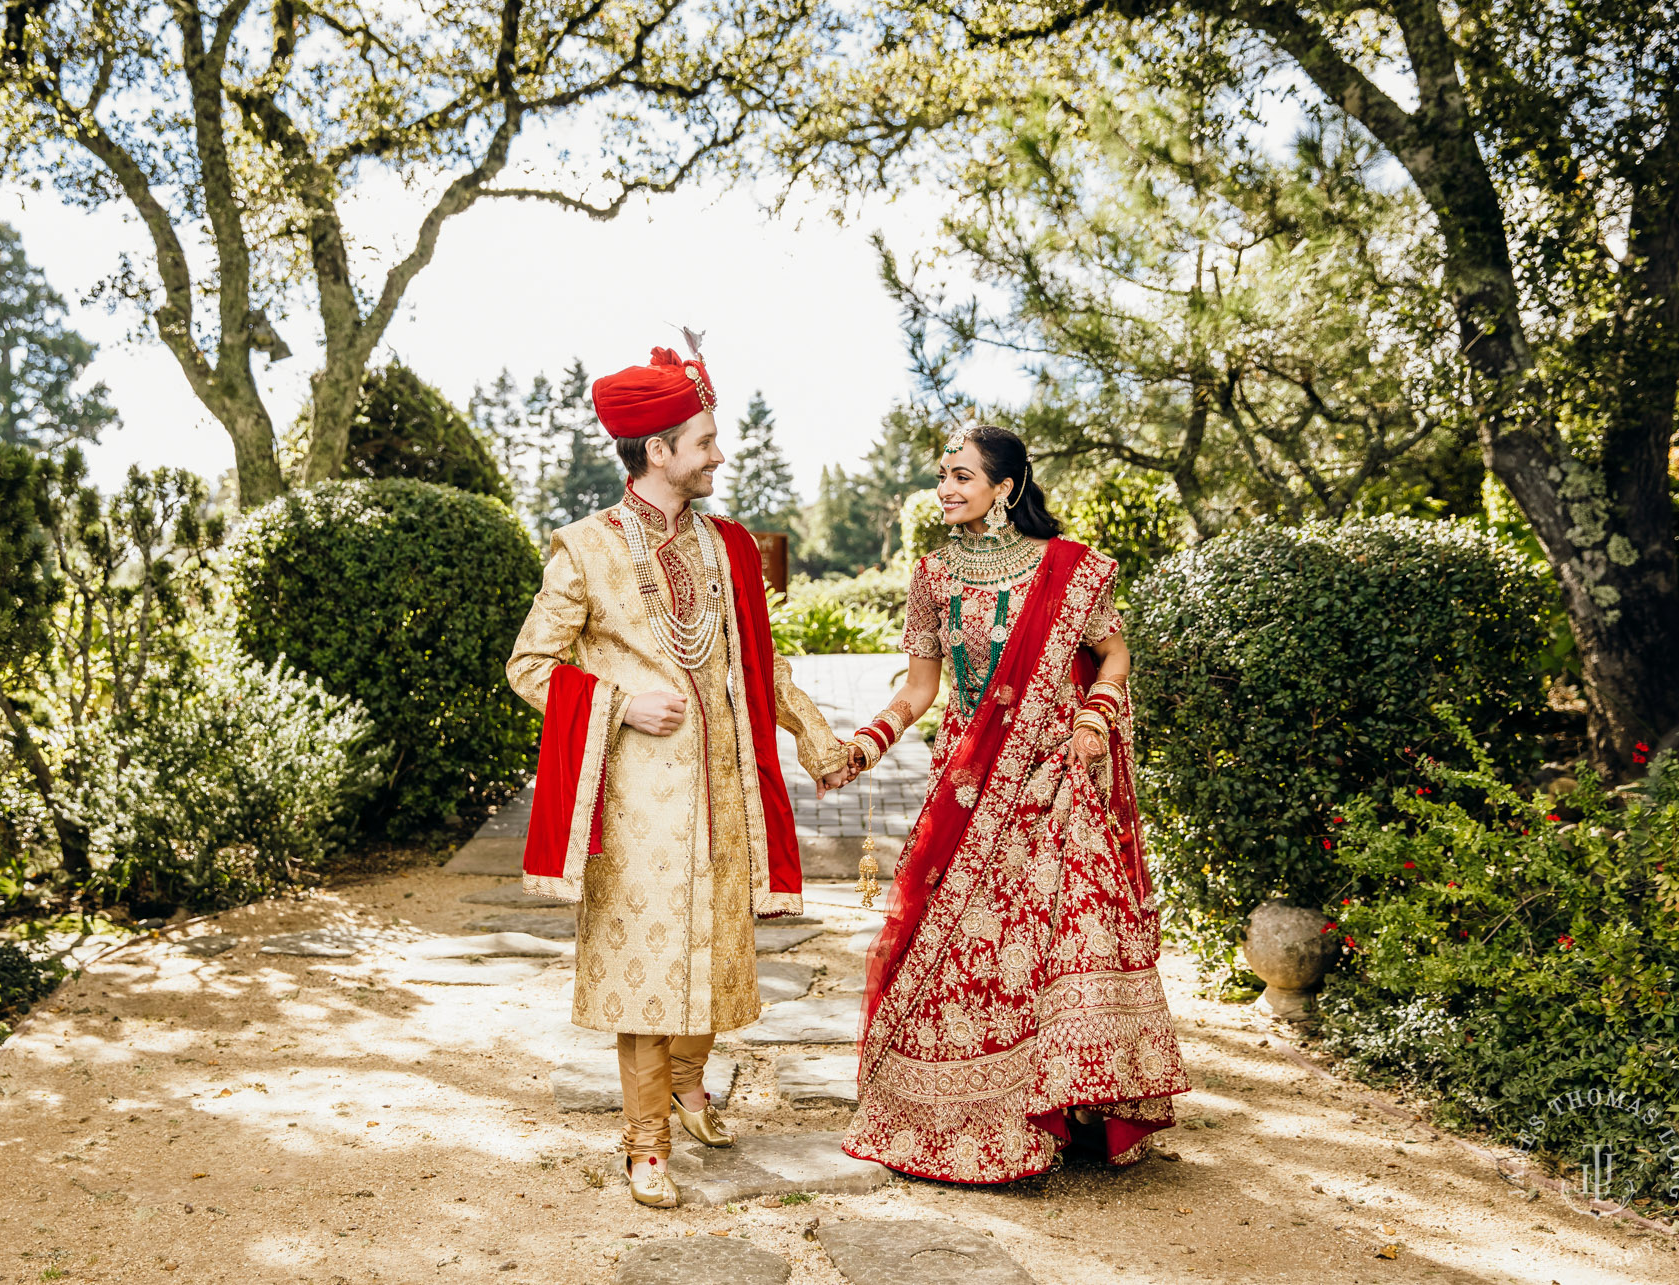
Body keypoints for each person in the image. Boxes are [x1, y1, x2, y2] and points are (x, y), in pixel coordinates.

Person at [506, 345, 853, 1208]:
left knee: (713, 949)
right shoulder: (584, 550)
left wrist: (818, 739)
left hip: (720, 792)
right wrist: (619, 702)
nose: (719, 455)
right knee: (644, 967)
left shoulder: (729, 547)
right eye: (704, 441)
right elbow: (530, 666)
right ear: (657, 451)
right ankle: (644, 1144)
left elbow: (759, 669)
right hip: (637, 803)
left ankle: (690, 1085)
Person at [837, 425, 1189, 1183]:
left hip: (1058, 780)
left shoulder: (1069, 569)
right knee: (973, 956)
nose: (947, 488)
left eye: (963, 475)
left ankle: (1078, 1110)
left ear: (1006, 488)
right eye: (942, 475)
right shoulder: (932, 573)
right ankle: (976, 1114)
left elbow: (1114, 650)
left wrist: (1094, 716)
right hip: (971, 788)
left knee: (1074, 941)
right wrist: (865, 746)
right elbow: (920, 690)